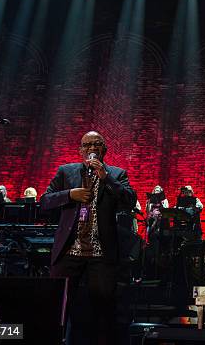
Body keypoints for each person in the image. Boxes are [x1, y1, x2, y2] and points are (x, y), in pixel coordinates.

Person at [40, 131, 136, 345]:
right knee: (58, 304)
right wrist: (69, 195)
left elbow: (129, 201)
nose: (92, 148)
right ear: (81, 150)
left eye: (97, 144)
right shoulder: (66, 172)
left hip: (100, 252)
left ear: (105, 149)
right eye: (87, 145)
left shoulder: (117, 174)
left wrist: (106, 178)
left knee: (103, 310)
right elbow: (45, 200)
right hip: (69, 251)